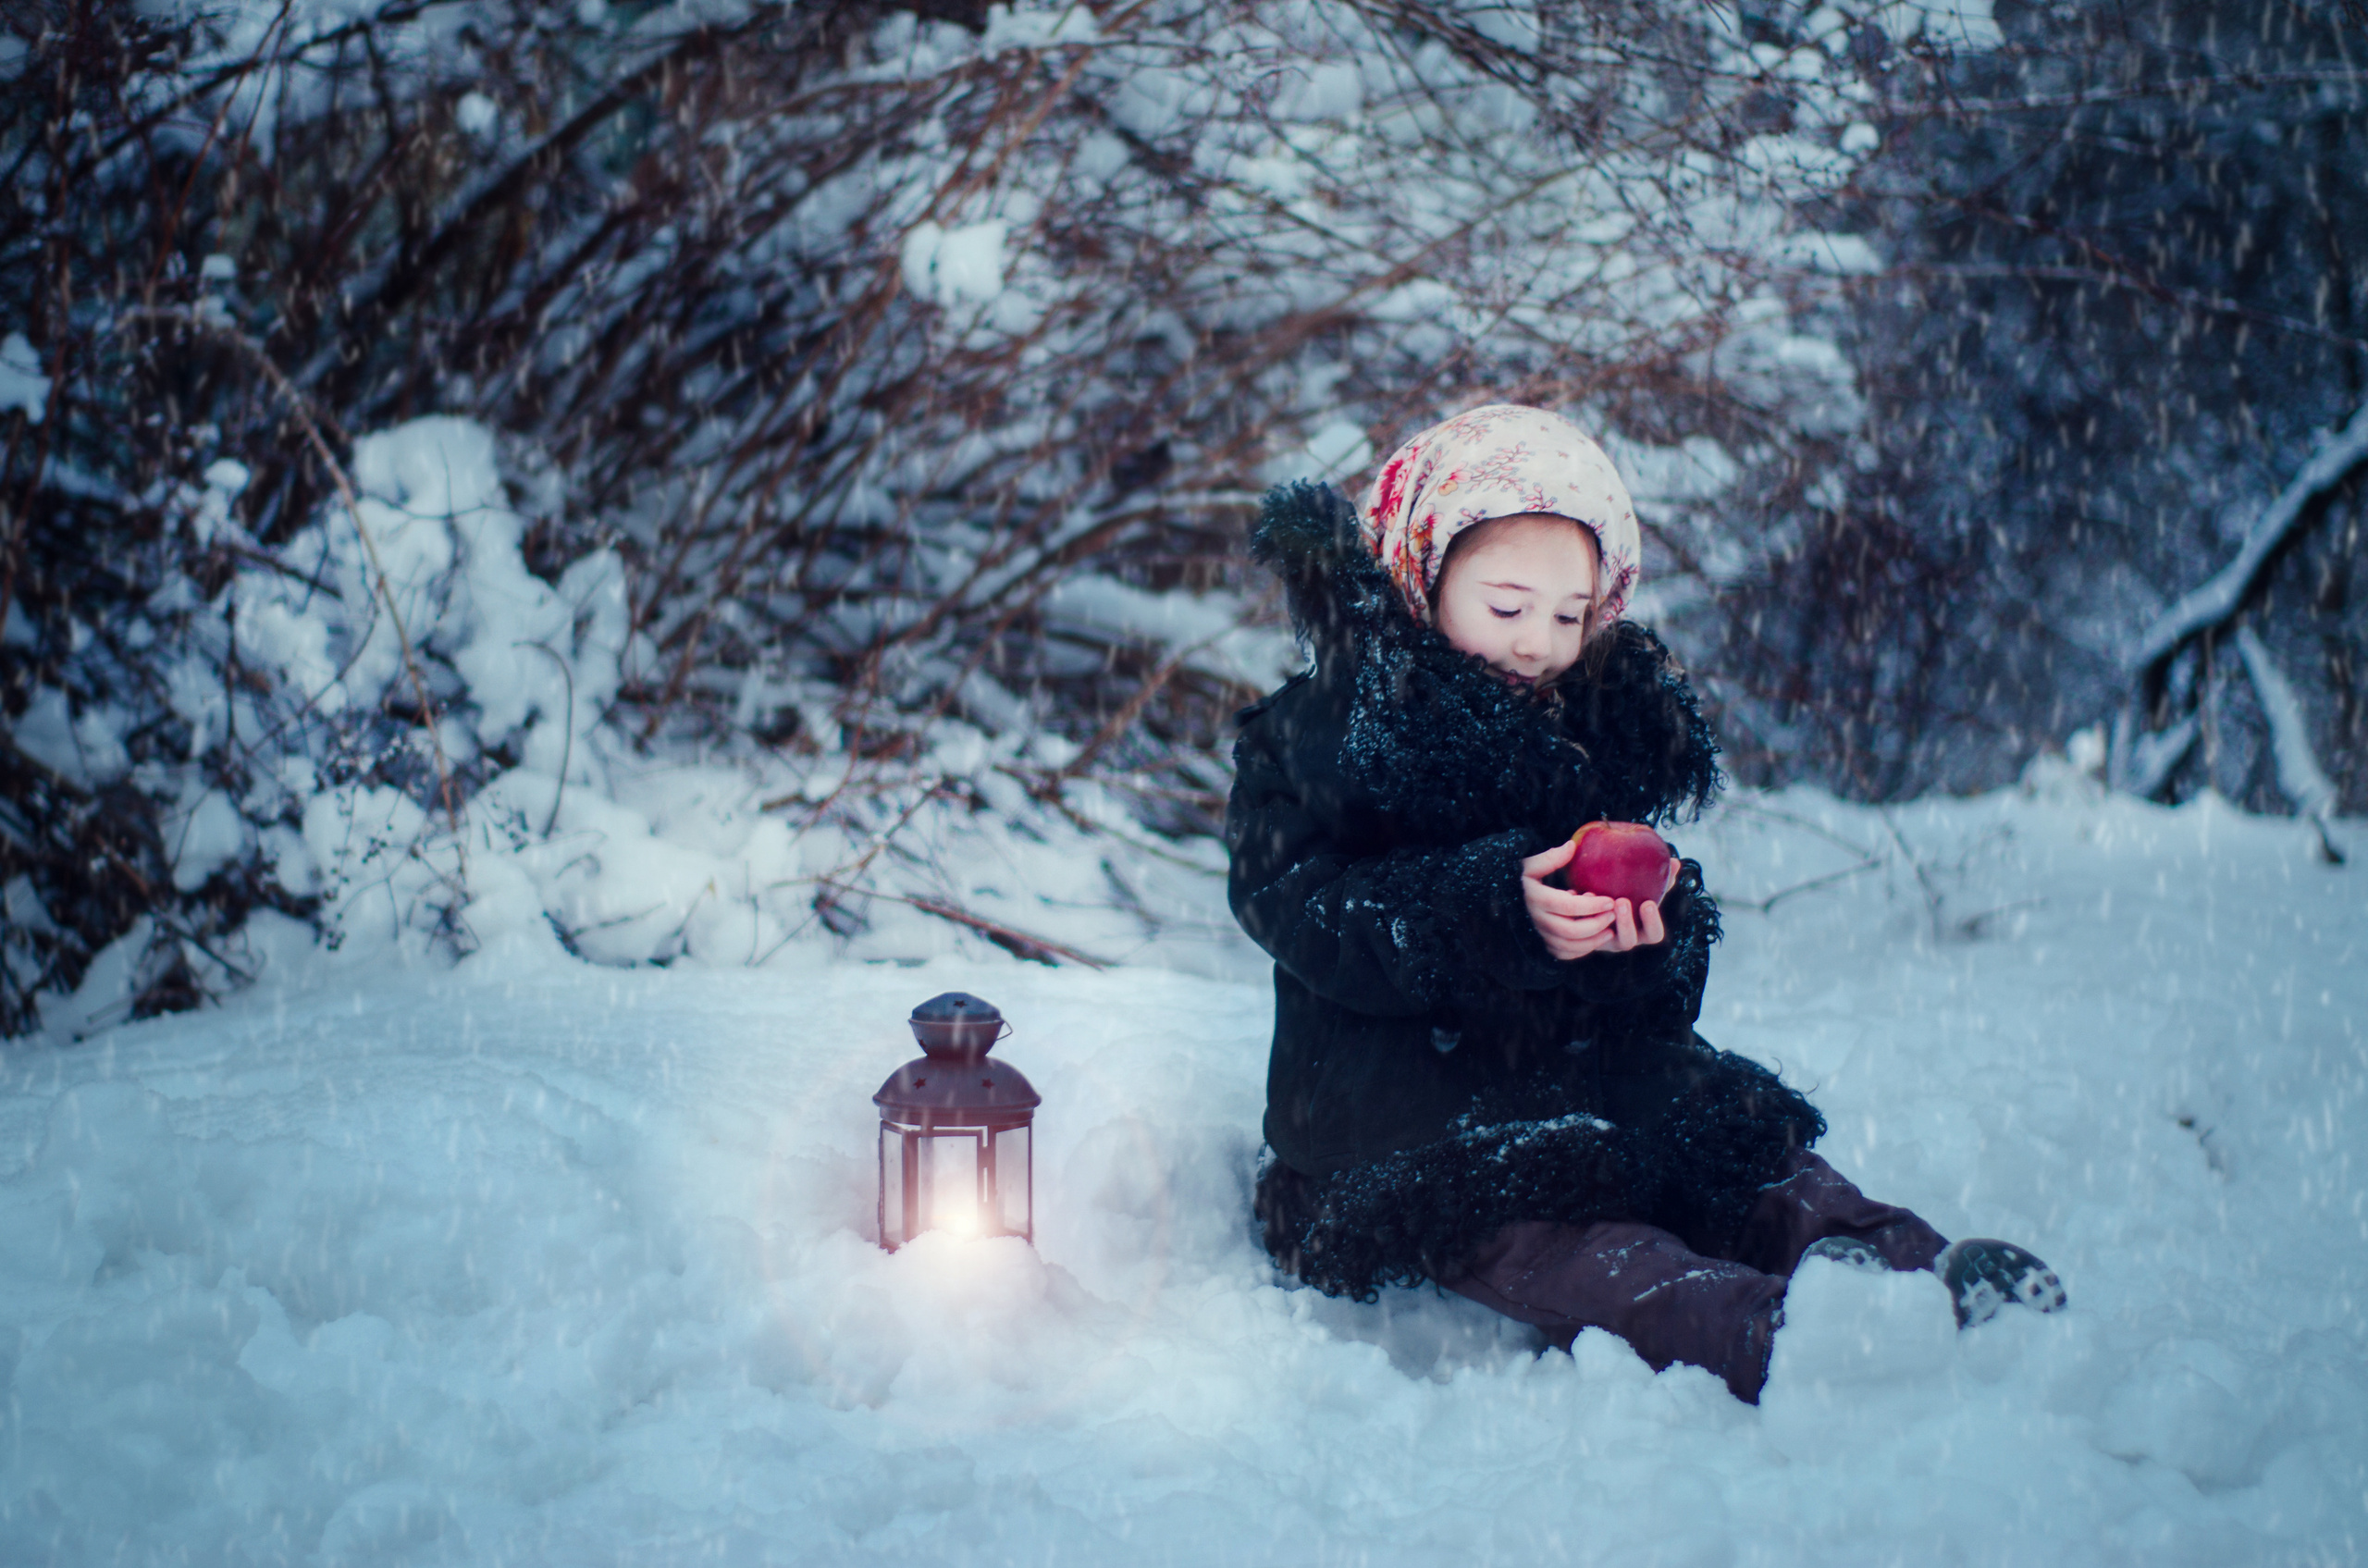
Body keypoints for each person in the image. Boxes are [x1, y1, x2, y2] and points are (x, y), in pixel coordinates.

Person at [1227, 404, 2064, 1402]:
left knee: (1749, 1162)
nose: (1537, 641)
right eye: (1506, 606)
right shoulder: (1325, 738)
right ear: (1423, 573)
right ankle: (1781, 1335)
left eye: (1569, 615)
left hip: (1592, 1078)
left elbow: (1660, 1004)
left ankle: (1915, 1274)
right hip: (1409, 1122)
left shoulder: (1580, 736)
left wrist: (1646, 935)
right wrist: (1487, 911)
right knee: (1593, 1253)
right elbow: (1300, 907)